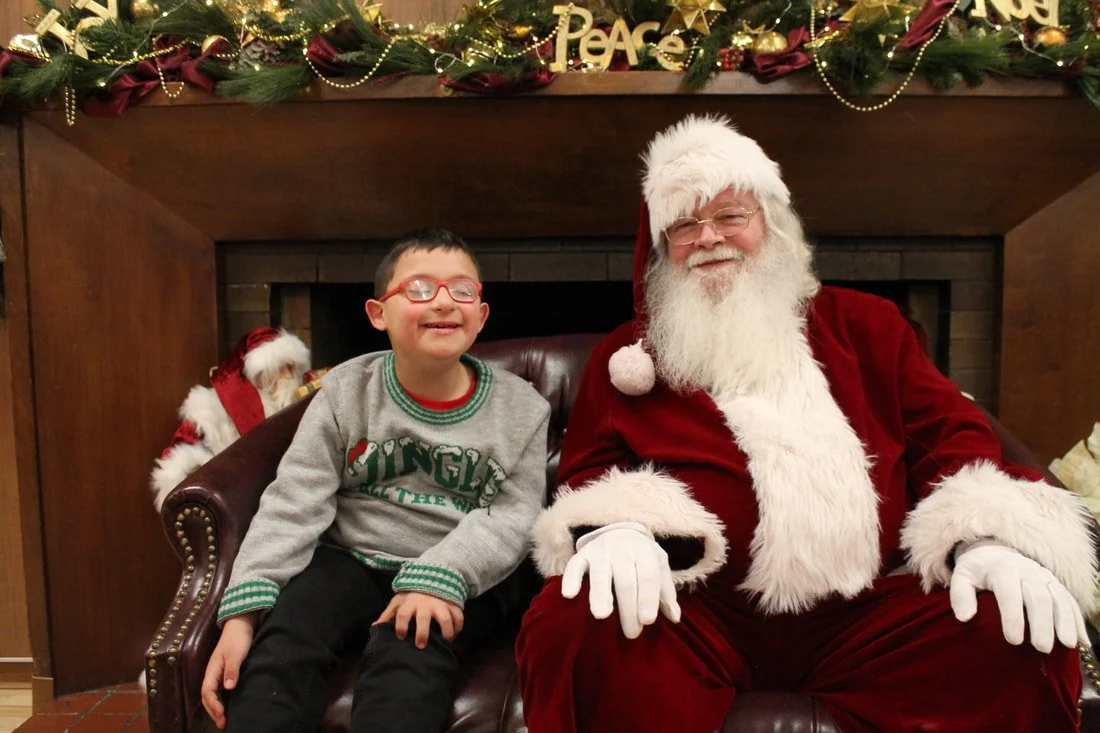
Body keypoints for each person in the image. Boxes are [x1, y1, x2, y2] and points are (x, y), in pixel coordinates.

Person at [515, 115, 1099, 733]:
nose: (709, 237)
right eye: (684, 225)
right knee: (572, 622)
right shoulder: (627, 358)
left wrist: (984, 539)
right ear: (662, 249)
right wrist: (616, 532)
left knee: (1013, 634)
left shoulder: (869, 327)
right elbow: (589, 471)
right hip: (694, 614)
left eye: (730, 216)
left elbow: (954, 439)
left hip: (865, 614)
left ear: (770, 223)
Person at [200, 228, 551, 733]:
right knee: (284, 640)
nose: (444, 302)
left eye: (462, 290)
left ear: (481, 315)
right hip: (351, 556)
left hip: (459, 568)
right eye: (420, 288)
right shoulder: (347, 392)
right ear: (377, 313)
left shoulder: (522, 408)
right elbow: (294, 500)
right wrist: (243, 613)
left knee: (411, 650)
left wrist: (440, 577)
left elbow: (514, 516)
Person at [150, 326, 313, 511]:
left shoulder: (303, 398)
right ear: (257, 376)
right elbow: (178, 457)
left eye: (291, 368)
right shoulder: (212, 411)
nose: (288, 376)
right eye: (279, 369)